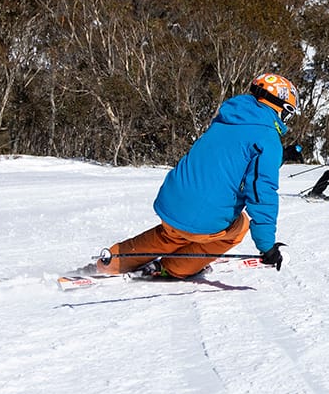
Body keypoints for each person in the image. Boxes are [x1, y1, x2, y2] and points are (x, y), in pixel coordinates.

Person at [88, 73, 299, 278]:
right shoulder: (268, 137)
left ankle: (111, 261)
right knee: (239, 225)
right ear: (280, 107)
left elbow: (229, 160)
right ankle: (176, 267)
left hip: (171, 201)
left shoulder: (226, 119)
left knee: (169, 234)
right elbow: (261, 192)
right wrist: (267, 247)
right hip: (203, 218)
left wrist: (279, 156)